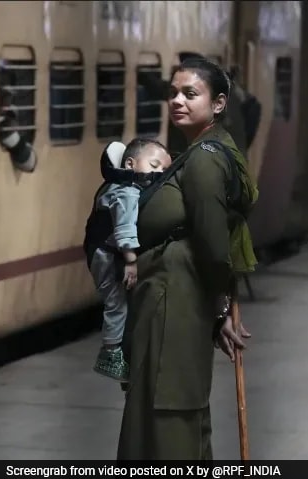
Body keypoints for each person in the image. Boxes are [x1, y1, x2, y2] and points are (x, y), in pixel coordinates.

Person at [117, 57, 258, 459]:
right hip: (174, 297)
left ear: (218, 103)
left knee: (169, 406)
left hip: (174, 301)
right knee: (176, 404)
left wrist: (220, 308)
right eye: (173, 93)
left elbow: (214, 241)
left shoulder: (204, 159)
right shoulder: (199, 150)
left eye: (190, 94)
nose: (177, 100)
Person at [85, 138, 171, 382]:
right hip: (107, 255)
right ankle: (111, 354)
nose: (158, 173)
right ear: (130, 163)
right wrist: (131, 261)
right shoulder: (128, 192)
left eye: (163, 170)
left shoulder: (113, 184)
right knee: (117, 303)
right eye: (154, 164)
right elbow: (124, 230)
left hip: (100, 251)